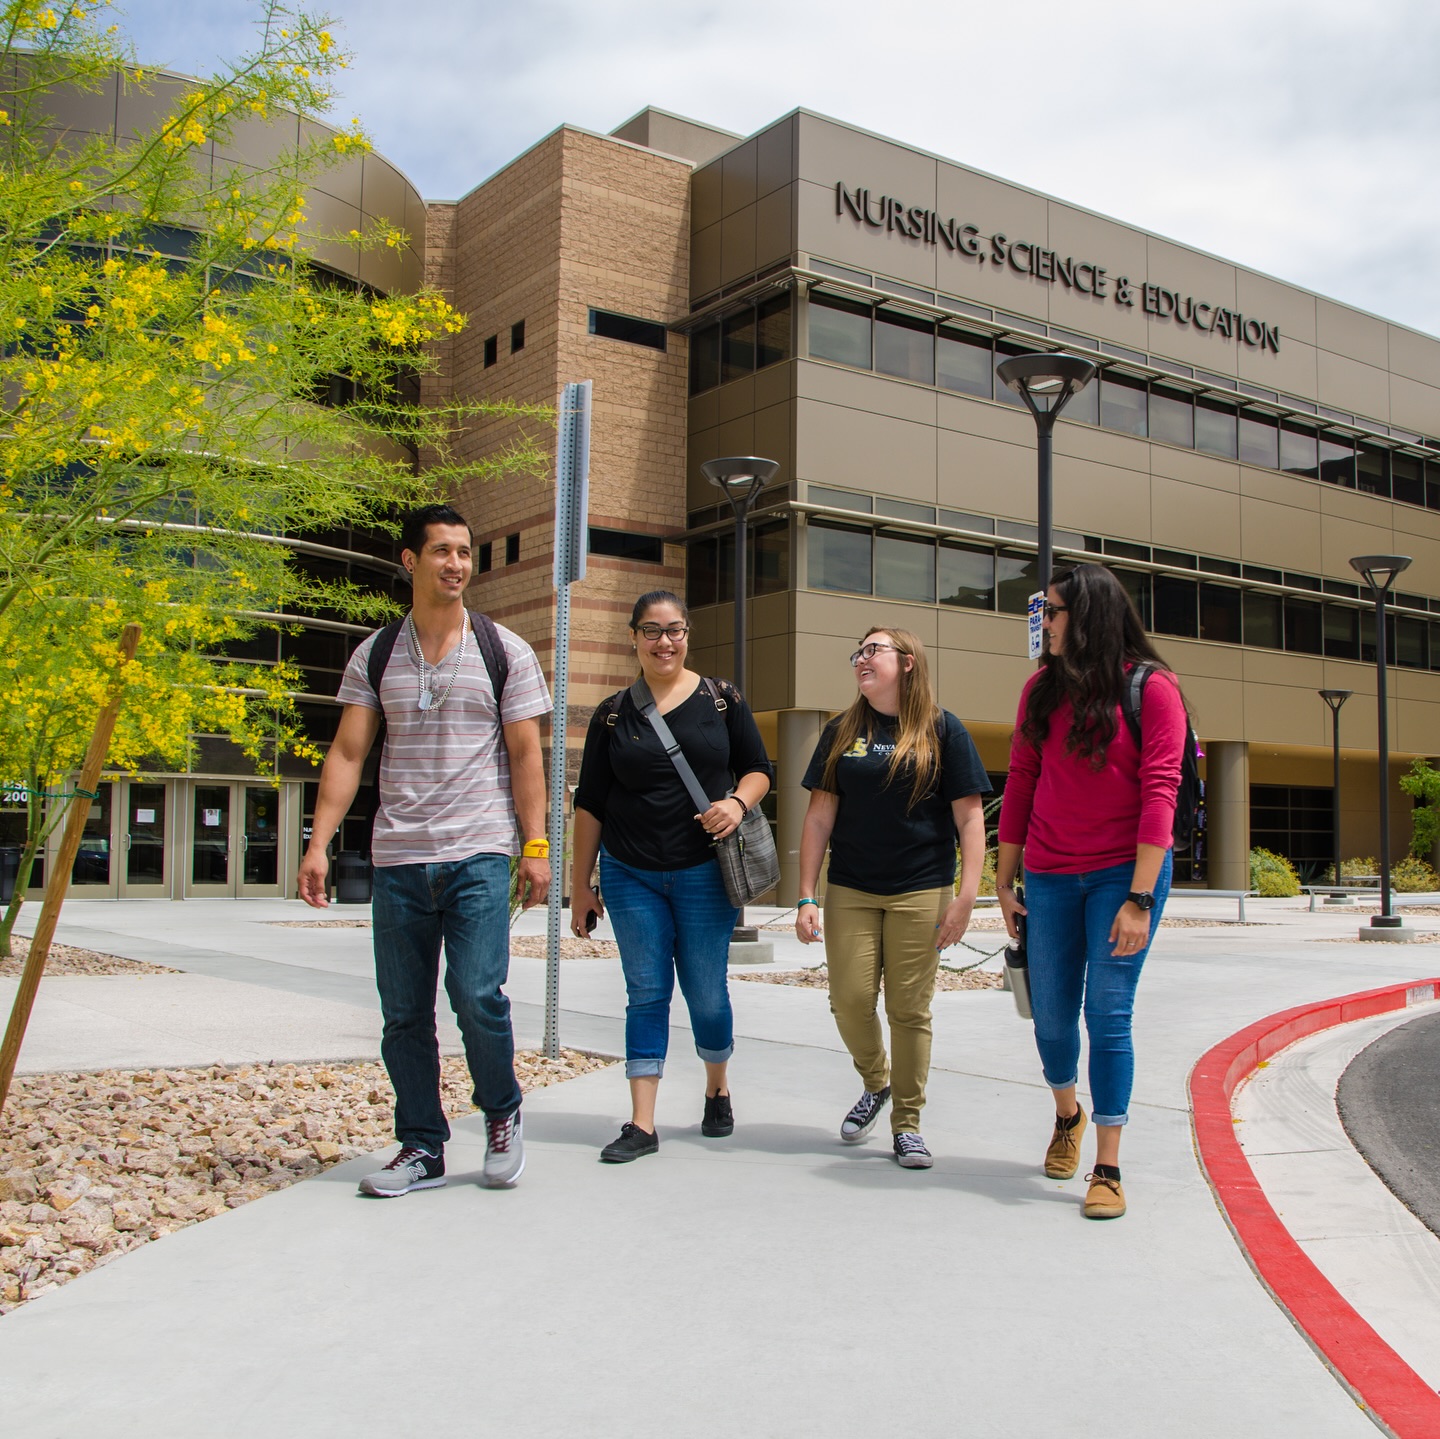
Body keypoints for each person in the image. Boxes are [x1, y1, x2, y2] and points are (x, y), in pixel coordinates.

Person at [297, 503, 553, 1198]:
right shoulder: (375, 653)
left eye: (465, 552)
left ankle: (502, 1115)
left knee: (476, 994)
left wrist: (535, 846)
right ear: (411, 561)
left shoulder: (505, 650)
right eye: (442, 551)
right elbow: (349, 752)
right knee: (404, 1012)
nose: (457, 564)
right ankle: (421, 1144)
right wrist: (318, 843)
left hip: (478, 852)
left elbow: (527, 754)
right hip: (400, 858)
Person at [995, 563, 1187, 1220]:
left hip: (1121, 875)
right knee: (1049, 1016)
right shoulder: (1039, 692)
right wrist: (1004, 870)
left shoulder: (1153, 689)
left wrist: (1140, 898)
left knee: (1107, 1012)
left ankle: (1107, 1163)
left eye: (1050, 611)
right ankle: (1067, 1115)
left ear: (1089, 616)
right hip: (1047, 873)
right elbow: (1021, 777)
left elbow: (1162, 789)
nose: (1041, 622)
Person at [570, 590, 773, 1163]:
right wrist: (581, 884)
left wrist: (736, 803)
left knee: (707, 995)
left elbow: (759, 768)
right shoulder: (612, 714)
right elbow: (590, 804)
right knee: (647, 993)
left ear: (688, 635)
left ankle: (717, 1086)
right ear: (633, 637)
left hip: (704, 874)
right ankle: (642, 1123)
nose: (665, 641)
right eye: (652, 631)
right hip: (631, 874)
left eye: (675, 630)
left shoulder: (722, 700)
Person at [795, 627, 989, 1169]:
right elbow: (819, 816)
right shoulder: (841, 730)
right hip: (852, 887)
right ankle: (876, 1081)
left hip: (922, 888)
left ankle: (908, 1124)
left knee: (909, 1010)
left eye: (873, 649)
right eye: (858, 651)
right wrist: (806, 894)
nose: (861, 658)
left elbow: (969, 815)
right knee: (850, 1000)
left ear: (907, 662)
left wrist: (967, 895)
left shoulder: (942, 729)